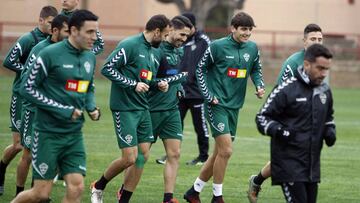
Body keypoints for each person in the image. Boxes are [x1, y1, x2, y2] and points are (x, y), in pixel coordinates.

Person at [11, 9, 100, 203]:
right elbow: (26, 88)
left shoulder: (89, 57)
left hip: (74, 134)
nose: (95, 37)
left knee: (76, 188)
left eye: (96, 32)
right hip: (47, 133)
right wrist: (62, 110)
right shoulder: (49, 53)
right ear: (74, 31)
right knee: (40, 193)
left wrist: (91, 107)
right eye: (90, 32)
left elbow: (88, 87)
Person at [183, 12, 265, 203]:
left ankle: (193, 192)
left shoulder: (252, 48)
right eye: (243, 29)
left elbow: (255, 68)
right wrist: (208, 95)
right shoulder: (217, 46)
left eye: (250, 30)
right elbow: (200, 70)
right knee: (226, 151)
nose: (247, 33)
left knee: (219, 153)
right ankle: (217, 197)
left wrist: (259, 85)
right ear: (233, 28)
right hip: (216, 104)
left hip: (234, 106)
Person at [90, 14, 171, 203]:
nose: (166, 39)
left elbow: (147, 80)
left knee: (142, 157)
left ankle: (124, 199)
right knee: (129, 158)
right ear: (157, 31)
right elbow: (107, 68)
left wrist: (159, 84)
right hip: (124, 108)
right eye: (165, 35)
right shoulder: (129, 45)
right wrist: (132, 84)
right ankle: (98, 185)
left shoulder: (156, 51)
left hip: (143, 108)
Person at [116, 15, 192, 203]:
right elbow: (149, 81)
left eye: (187, 36)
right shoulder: (155, 50)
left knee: (174, 154)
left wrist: (179, 88)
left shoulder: (179, 52)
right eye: (182, 34)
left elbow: (173, 76)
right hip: (150, 110)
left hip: (172, 110)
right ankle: (124, 191)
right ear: (171, 30)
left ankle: (168, 198)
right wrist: (168, 82)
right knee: (139, 157)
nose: (184, 39)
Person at [247, 23, 323, 203]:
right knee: (289, 161)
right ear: (304, 41)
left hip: (307, 123)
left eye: (320, 39)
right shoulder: (293, 63)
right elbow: (281, 94)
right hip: (288, 120)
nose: (317, 42)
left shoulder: (321, 63)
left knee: (290, 161)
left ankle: (256, 181)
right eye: (313, 39)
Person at [255, 43, 336, 203]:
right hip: (288, 164)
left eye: (326, 69)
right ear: (306, 65)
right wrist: (280, 131)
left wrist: (329, 129)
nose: (324, 74)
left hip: (312, 166)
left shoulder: (324, 90)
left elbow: (328, 116)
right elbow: (262, 118)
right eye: (320, 68)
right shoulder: (286, 89)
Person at [0, 5, 58, 196]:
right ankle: (2, 170)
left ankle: (36, 192)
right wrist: (30, 68)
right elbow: (9, 60)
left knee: (35, 148)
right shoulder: (29, 39)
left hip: (39, 100)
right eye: (49, 22)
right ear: (41, 20)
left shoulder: (55, 43)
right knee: (19, 146)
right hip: (21, 96)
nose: (52, 26)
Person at [13, 14, 70, 196]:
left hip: (53, 112)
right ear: (55, 31)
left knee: (48, 155)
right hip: (33, 110)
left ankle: (36, 194)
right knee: (28, 155)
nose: (70, 35)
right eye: (67, 31)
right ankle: (19, 193)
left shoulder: (66, 50)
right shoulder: (40, 49)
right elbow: (25, 82)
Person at [155, 12, 211, 166]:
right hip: (179, 90)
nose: (184, 36)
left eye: (188, 30)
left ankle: (203, 156)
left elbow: (208, 63)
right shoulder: (176, 42)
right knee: (175, 124)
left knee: (200, 126)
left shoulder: (203, 41)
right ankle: (170, 154)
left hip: (197, 92)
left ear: (193, 27)